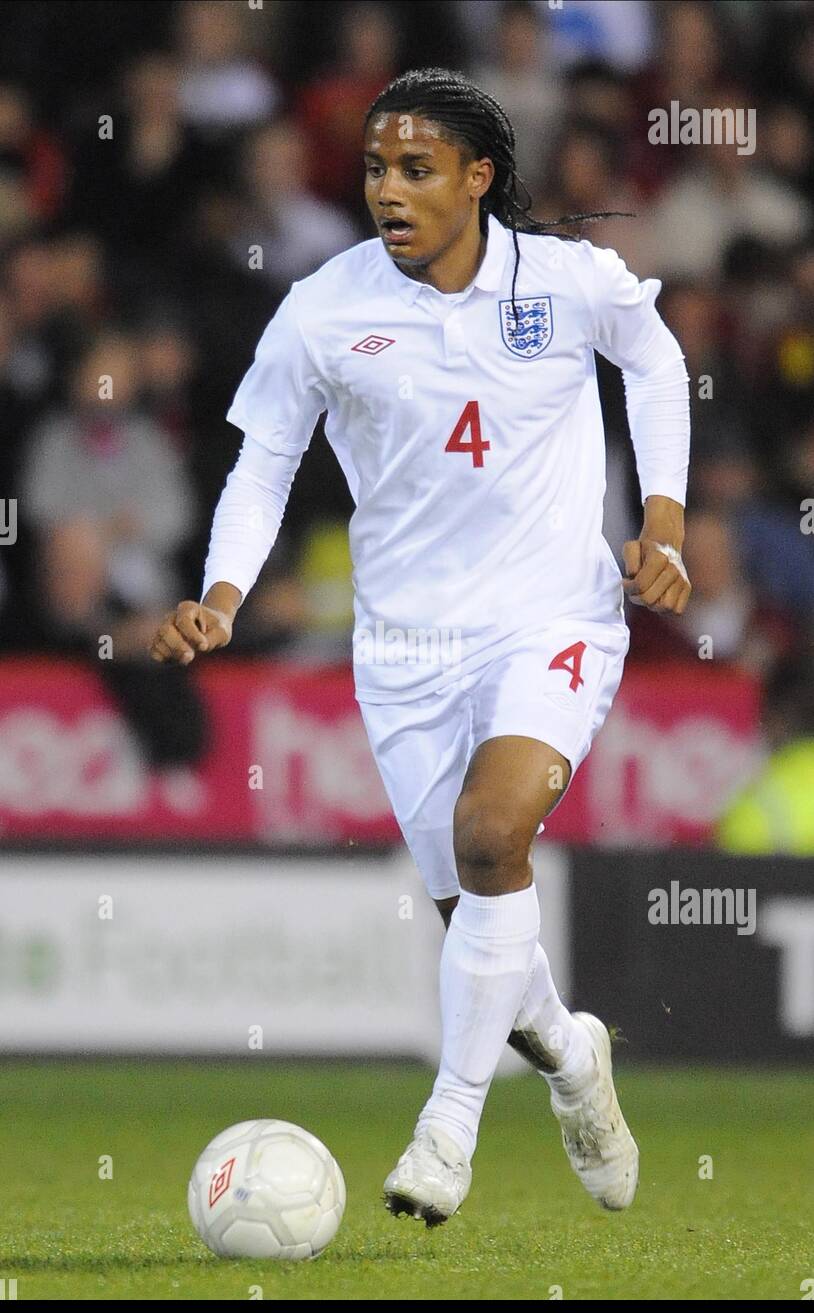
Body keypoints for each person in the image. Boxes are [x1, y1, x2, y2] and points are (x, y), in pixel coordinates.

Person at [148, 67, 691, 1227]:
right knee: (474, 906)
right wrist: (223, 595)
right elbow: (264, 459)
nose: (387, 190)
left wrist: (665, 517)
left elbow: (651, 364)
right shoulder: (326, 307)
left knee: (493, 834)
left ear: (478, 176)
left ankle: (446, 1129)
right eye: (374, 170)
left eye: (415, 169)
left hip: (552, 617)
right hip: (401, 649)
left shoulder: (565, 279)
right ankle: (571, 1055)